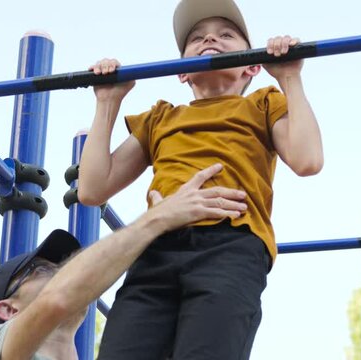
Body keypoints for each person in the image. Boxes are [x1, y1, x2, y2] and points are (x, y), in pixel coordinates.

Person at [78, 0, 324, 358]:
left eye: (226, 35)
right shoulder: (160, 118)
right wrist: (107, 102)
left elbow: (308, 160)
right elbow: (92, 188)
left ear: (253, 65)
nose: (210, 40)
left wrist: (289, 76)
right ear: (182, 71)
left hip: (230, 244)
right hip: (156, 245)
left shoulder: (262, 105)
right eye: (197, 39)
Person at [0, 164, 249, 360]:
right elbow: (56, 300)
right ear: (8, 309)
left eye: (61, 269)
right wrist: (160, 218)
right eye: (42, 270)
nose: (59, 272)